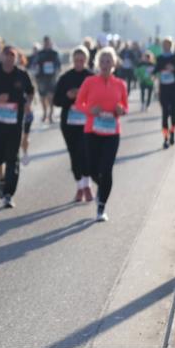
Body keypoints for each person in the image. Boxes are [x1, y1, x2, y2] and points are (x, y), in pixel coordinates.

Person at [76, 47, 128, 222]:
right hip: (92, 130)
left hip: (112, 132)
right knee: (92, 169)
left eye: (109, 61)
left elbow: (125, 107)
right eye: (102, 61)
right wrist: (90, 110)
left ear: (114, 64)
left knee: (106, 169)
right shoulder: (89, 82)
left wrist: (121, 110)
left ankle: (101, 206)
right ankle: (102, 188)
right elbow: (78, 104)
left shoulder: (120, 84)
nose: (105, 64)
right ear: (98, 64)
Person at [0, 45, 34, 208]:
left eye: (13, 55)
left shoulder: (22, 75)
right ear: (2, 57)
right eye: (7, 55)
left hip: (16, 123)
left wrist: (28, 104)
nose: (9, 58)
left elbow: (30, 92)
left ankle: (8, 193)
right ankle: (1, 179)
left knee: (12, 158)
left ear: (16, 57)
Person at [53, 46, 94, 201]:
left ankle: (88, 185)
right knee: (74, 154)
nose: (79, 63)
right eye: (76, 60)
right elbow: (56, 101)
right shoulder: (65, 78)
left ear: (86, 60)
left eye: (82, 60)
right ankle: (79, 187)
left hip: (87, 122)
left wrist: (83, 97)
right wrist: (69, 97)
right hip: (69, 123)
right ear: (72, 60)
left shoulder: (91, 77)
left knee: (86, 154)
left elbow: (98, 100)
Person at [155, 37, 175, 149]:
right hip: (163, 90)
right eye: (164, 45)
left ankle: (172, 133)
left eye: (168, 45)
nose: (166, 47)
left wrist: (174, 69)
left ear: (171, 46)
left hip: (174, 89)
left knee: (173, 115)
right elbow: (155, 70)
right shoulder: (160, 58)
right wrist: (161, 68)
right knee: (164, 115)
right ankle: (165, 138)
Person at [32, 36, 62, 124]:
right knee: (42, 97)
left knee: (51, 97)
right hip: (41, 78)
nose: (46, 44)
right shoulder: (40, 53)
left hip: (51, 78)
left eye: (48, 43)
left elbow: (58, 64)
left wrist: (56, 70)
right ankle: (45, 113)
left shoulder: (54, 53)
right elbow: (34, 64)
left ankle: (50, 114)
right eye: (45, 43)